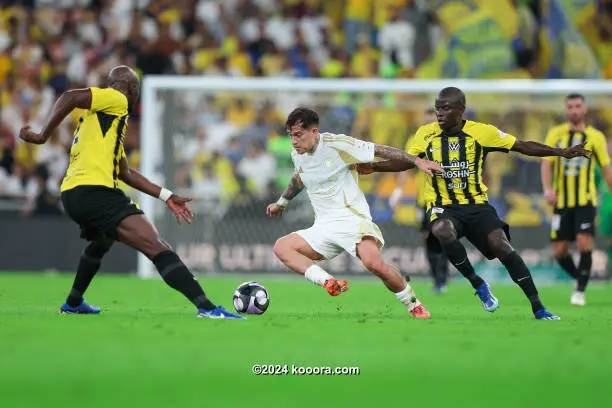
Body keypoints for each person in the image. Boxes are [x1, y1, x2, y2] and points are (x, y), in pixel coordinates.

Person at [19, 65, 243, 320]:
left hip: (72, 194)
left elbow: (125, 172)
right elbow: (69, 97)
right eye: (136, 89)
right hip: (94, 192)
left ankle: (73, 302)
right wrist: (41, 136)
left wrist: (166, 195)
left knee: (102, 241)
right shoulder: (117, 99)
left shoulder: (103, 123)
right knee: (155, 244)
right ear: (131, 88)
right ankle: (208, 307)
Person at [358, 87, 591, 320]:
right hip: (443, 206)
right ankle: (478, 284)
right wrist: (375, 167)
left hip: (477, 205)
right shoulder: (425, 134)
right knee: (441, 230)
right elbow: (407, 162)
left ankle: (538, 307)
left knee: (501, 245)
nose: (440, 113)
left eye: (446, 108)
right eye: (438, 108)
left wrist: (561, 152)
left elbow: (521, 145)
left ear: (461, 110)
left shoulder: (482, 133)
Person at [266, 107, 443, 319]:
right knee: (282, 247)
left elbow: (380, 149)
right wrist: (282, 202)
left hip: (353, 221)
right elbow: (300, 177)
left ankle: (413, 304)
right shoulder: (298, 154)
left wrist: (417, 161)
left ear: (314, 132)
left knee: (374, 264)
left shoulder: (338, 144)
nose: (294, 141)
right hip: (323, 226)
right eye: (290, 136)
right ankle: (329, 282)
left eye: (298, 135)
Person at [541, 93, 612, 306]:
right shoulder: (555, 134)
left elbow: (606, 169)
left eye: (578, 106)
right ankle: (580, 277)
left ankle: (580, 290)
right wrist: (547, 189)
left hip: (585, 200)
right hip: (561, 202)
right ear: (566, 110)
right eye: (570, 106)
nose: (574, 110)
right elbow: (546, 164)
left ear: (585, 109)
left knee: (584, 243)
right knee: (559, 250)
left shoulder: (596, 137)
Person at [389, 108, 449, 293]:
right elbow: (406, 167)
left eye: (431, 121)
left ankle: (443, 279)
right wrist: (398, 191)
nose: (428, 125)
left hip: (446, 199)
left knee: (443, 236)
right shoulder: (416, 140)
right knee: (428, 238)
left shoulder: (448, 140)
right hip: (424, 201)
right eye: (425, 121)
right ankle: (438, 281)